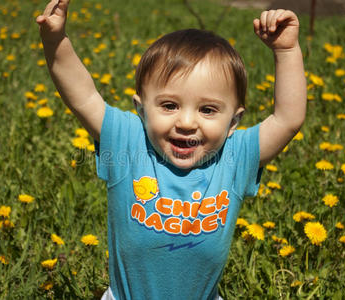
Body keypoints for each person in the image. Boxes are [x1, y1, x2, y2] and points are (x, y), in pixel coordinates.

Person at [37, 1, 306, 299]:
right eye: (169, 105)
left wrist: (286, 51)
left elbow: (287, 119)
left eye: (207, 110)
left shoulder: (235, 156)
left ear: (234, 122)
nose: (187, 122)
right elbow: (84, 96)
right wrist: (55, 41)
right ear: (141, 109)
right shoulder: (129, 142)